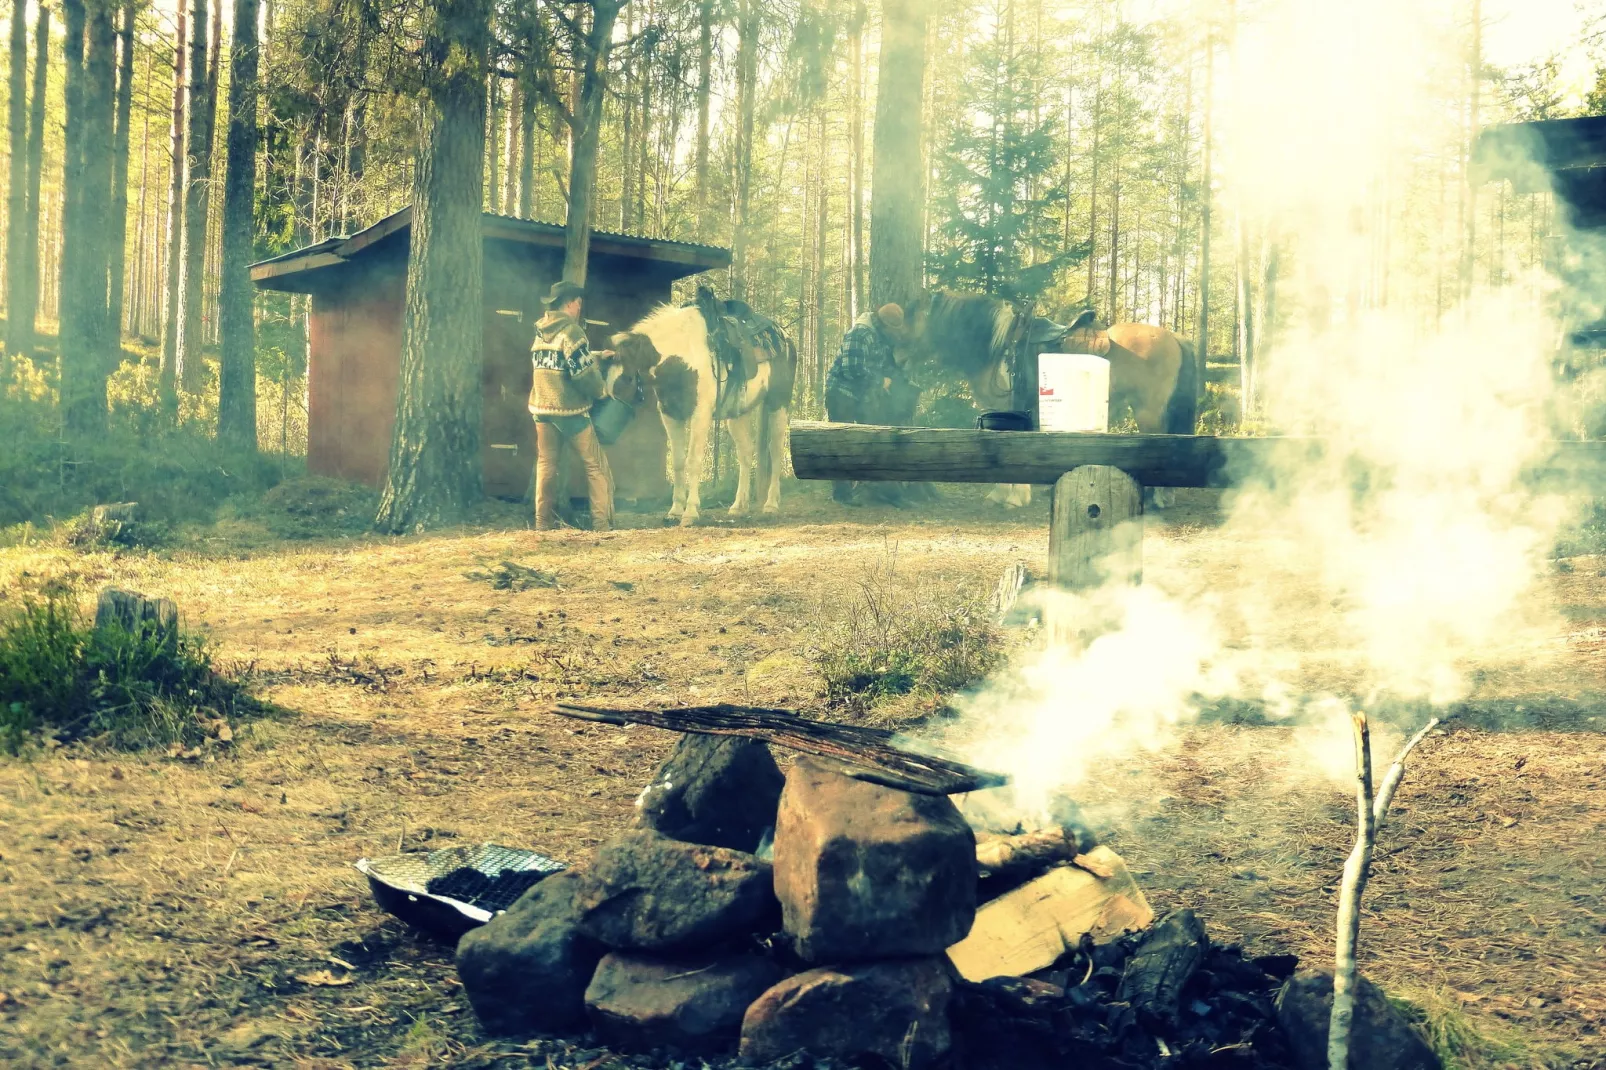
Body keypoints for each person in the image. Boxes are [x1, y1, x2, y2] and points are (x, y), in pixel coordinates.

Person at [529, 280, 614, 532]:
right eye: (578, 302)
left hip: (541, 408)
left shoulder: (541, 329)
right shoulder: (572, 331)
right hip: (568, 410)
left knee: (546, 464)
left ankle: (542, 525)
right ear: (569, 303)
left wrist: (596, 355)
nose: (579, 307)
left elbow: (558, 361)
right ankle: (601, 525)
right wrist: (601, 392)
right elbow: (583, 374)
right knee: (595, 465)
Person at [824, 303, 912, 506]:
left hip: (862, 396)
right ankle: (841, 495)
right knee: (842, 442)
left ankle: (881, 490)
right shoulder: (860, 333)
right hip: (841, 393)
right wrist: (881, 381)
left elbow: (885, 365)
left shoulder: (882, 338)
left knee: (875, 439)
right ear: (882, 323)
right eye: (892, 329)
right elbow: (852, 369)